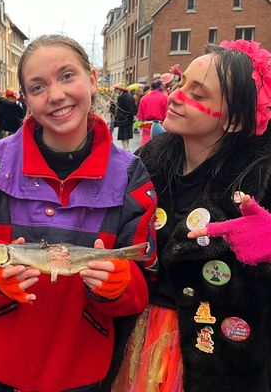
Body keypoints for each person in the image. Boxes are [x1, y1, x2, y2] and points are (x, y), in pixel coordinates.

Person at [0, 34, 158, 392]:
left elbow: (143, 278)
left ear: (92, 79)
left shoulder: (131, 176)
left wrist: (119, 286)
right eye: (38, 86)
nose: (55, 95)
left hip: (78, 365)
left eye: (67, 76)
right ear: (26, 99)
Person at [112, 39, 271, 391]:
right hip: (136, 338)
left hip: (216, 357)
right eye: (180, 84)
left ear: (234, 122)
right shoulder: (147, 162)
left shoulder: (263, 179)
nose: (175, 96)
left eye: (197, 95)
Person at [137, 78, 168, 145]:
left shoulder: (143, 98)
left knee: (146, 145)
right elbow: (166, 114)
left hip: (146, 125)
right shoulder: (164, 98)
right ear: (161, 87)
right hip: (160, 125)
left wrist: (139, 127)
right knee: (159, 145)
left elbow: (140, 116)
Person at [113, 84, 137, 151]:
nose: (115, 91)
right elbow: (134, 107)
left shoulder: (123, 96)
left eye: (116, 89)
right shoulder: (129, 95)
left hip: (124, 119)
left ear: (120, 90)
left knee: (124, 136)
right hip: (128, 119)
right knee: (126, 136)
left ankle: (126, 149)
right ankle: (127, 148)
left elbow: (128, 108)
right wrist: (133, 116)